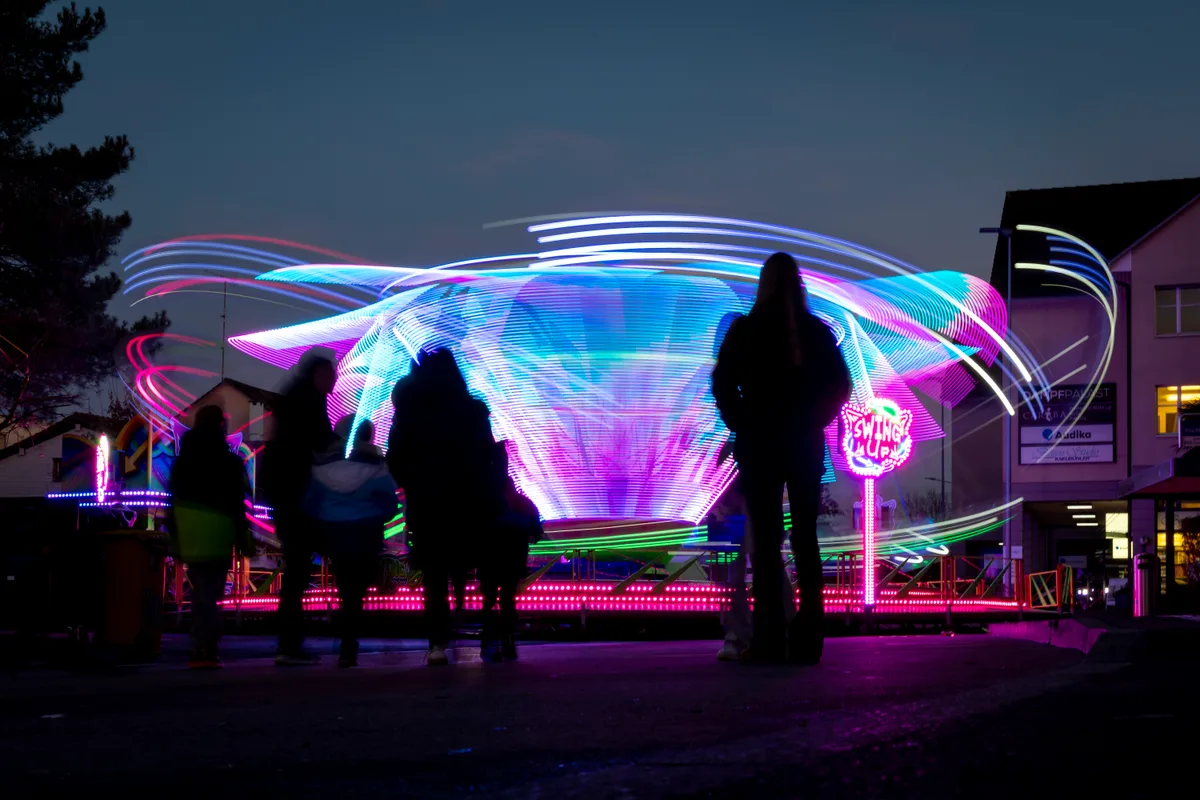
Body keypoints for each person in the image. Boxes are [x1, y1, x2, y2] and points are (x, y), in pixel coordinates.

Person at [712, 252, 851, 665]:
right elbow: (841, 385)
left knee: (767, 544)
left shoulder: (745, 331)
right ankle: (809, 640)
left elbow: (722, 383)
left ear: (764, 283)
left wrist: (741, 420)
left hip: (759, 444)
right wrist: (815, 419)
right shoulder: (816, 333)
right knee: (806, 539)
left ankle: (769, 639)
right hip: (803, 444)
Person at [387, 348, 504, 666]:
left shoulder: (411, 411)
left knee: (434, 571)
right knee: (478, 564)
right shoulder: (473, 410)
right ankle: (487, 630)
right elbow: (487, 453)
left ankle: (437, 642)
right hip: (469, 499)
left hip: (428, 500)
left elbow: (395, 457)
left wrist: (411, 483)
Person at [261, 349, 338, 666]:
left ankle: (289, 642)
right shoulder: (309, 401)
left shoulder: (293, 398)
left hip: (285, 495)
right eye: (332, 374)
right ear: (319, 374)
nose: (335, 380)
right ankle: (290, 644)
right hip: (299, 495)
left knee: (297, 567)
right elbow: (321, 441)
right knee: (299, 570)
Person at [303, 416, 398, 668]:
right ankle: (349, 639)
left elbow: (309, 504)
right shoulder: (377, 469)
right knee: (357, 590)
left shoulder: (320, 469)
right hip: (365, 534)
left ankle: (346, 639)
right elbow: (390, 505)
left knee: (345, 586)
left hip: (335, 536)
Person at [168, 405, 253, 669]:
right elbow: (237, 501)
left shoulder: (184, 460)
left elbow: (174, 497)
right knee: (211, 590)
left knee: (201, 588)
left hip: (190, 527)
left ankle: (200, 643)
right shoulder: (228, 461)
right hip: (218, 528)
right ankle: (207, 645)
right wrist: (242, 535)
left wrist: (175, 534)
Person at [710, 478, 795, 662]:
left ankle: (740, 636)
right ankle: (782, 632)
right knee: (760, 564)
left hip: (747, 492)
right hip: (755, 492)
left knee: (746, 567)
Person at [477, 440, 543, 663]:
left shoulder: (485, 501)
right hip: (513, 559)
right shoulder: (521, 502)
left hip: (488, 558)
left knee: (488, 599)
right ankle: (508, 640)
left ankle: (488, 640)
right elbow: (536, 528)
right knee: (507, 598)